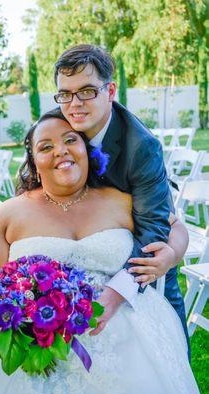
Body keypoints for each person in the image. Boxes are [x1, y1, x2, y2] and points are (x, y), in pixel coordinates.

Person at [0, 113, 201, 394]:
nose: (60, 151)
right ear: (34, 164)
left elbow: (175, 227)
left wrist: (172, 253)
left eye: (70, 140)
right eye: (45, 147)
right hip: (37, 346)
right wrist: (21, 322)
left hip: (128, 338)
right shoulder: (10, 213)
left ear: (86, 151)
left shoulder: (119, 200)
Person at [53, 44, 190, 344]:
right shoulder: (54, 125)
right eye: (65, 94)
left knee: (169, 360)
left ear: (111, 90)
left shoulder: (141, 146)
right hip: (77, 262)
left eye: (87, 91)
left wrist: (116, 292)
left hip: (137, 266)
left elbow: (155, 233)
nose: (74, 104)